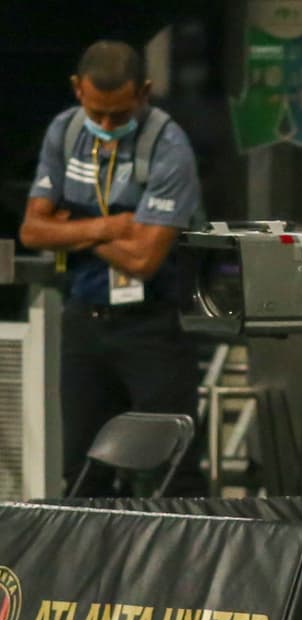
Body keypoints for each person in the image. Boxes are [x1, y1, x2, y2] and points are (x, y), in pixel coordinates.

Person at [19, 40, 203, 496]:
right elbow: (32, 231)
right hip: (83, 320)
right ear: (77, 89)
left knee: (170, 472)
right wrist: (113, 225)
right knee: (82, 471)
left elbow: (144, 259)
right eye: (96, 113)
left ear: (144, 92)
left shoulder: (168, 145)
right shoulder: (64, 132)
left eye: (119, 115)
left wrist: (74, 225)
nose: (105, 125)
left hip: (152, 326)